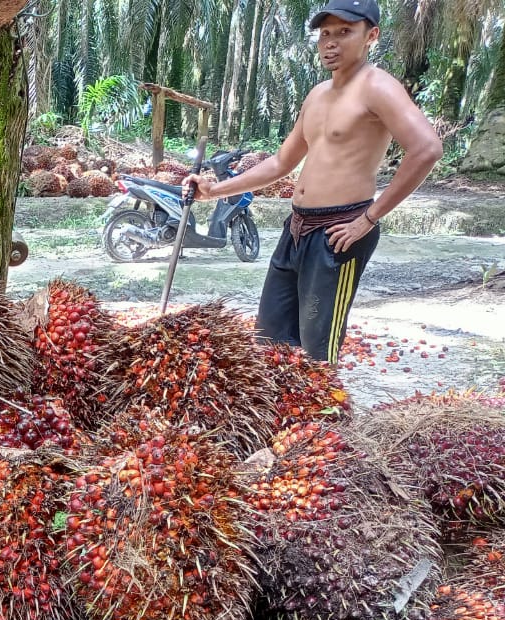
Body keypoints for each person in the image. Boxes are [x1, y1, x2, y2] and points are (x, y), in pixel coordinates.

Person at [185, 0, 442, 364]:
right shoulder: (317, 95)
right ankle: (281, 419)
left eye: (344, 32)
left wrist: (368, 219)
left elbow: (427, 149)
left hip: (340, 231)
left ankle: (325, 420)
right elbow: (281, 162)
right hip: (296, 228)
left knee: (317, 352)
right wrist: (215, 190)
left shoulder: (378, 87)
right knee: (269, 340)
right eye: (324, 34)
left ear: (371, 36)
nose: (330, 43)